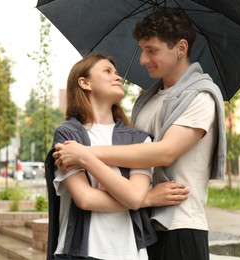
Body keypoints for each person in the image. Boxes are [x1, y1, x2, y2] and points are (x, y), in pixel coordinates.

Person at [53, 8, 226, 260]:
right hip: (145, 226)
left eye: (151, 50)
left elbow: (165, 152)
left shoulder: (200, 95)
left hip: (180, 222)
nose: (143, 60)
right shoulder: (148, 100)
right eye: (142, 50)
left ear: (180, 48)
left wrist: (84, 154)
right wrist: (144, 199)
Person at [45, 53, 187, 260]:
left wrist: (84, 157)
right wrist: (147, 199)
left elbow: (134, 196)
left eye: (117, 72)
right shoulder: (67, 135)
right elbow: (85, 198)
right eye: (107, 71)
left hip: (129, 252)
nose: (118, 77)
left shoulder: (138, 139)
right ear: (85, 83)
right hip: (79, 253)